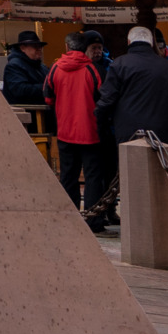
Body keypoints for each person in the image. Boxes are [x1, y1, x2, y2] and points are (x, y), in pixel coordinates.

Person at [47, 30, 113, 228]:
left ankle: (69, 216)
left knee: (68, 175)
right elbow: (103, 99)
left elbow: (48, 98)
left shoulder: (55, 68)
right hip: (90, 131)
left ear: (67, 47)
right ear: (84, 48)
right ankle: (94, 219)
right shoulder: (93, 70)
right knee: (93, 177)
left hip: (65, 131)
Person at [97, 25, 168, 149]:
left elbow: (107, 99)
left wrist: (100, 122)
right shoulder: (167, 67)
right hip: (161, 130)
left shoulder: (119, 65)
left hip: (129, 132)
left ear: (129, 42)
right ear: (152, 43)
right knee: (161, 165)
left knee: (130, 166)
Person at [0, 30, 49, 105]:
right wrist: (47, 88)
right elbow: (20, 90)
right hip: (28, 113)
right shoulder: (14, 66)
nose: (39, 49)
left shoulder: (41, 67)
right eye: (35, 46)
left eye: (40, 47)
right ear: (22, 48)